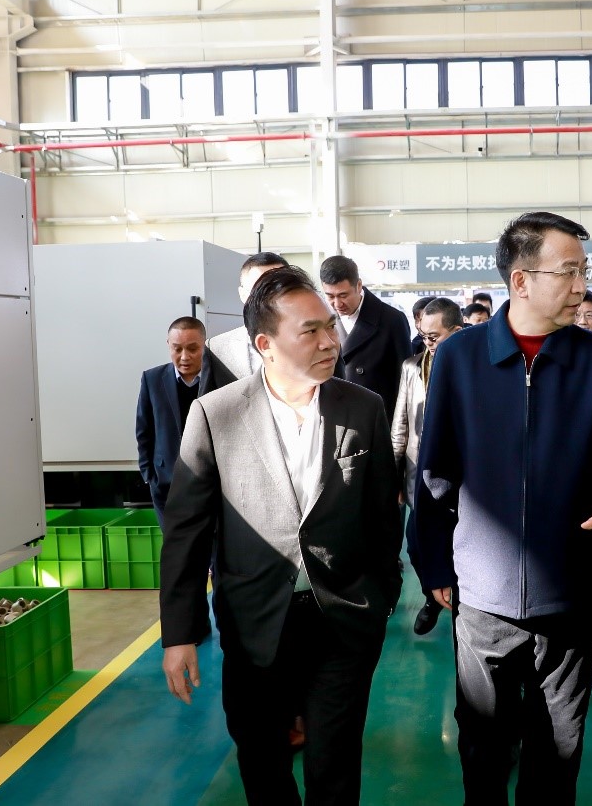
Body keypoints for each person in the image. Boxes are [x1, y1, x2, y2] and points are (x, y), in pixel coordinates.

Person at [415, 211, 592, 804]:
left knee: (558, 749)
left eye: (584, 271)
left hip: (569, 589)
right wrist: (434, 564)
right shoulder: (460, 357)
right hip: (483, 594)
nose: (582, 286)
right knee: (484, 744)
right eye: (569, 272)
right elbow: (435, 467)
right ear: (521, 280)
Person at [159, 267, 402, 806]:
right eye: (310, 331)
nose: (330, 341)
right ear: (265, 344)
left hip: (343, 619)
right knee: (262, 759)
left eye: (330, 326)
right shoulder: (217, 414)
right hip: (255, 621)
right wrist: (179, 634)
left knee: (334, 765)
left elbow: (383, 515)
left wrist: (383, 595)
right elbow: (186, 532)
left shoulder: (363, 408)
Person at [392, 297, 464, 636]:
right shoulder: (412, 367)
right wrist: (393, 476)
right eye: (423, 336)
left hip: (462, 480)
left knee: (460, 546)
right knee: (417, 545)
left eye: (434, 337)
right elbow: (400, 426)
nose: (428, 344)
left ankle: (462, 604)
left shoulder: (475, 367)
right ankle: (431, 596)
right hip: (418, 474)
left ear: (457, 331)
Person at [136, 316, 213, 530]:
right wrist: (148, 474)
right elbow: (144, 430)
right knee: (174, 542)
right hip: (165, 481)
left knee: (210, 542)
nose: (184, 357)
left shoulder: (218, 378)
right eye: (177, 349)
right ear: (168, 345)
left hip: (209, 481)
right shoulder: (152, 379)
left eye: (192, 349)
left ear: (204, 345)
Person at [321, 255, 412, 420]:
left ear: (359, 285)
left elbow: (404, 383)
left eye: (343, 295)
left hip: (376, 418)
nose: (337, 304)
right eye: (330, 296)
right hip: (334, 416)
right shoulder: (319, 321)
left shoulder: (392, 320)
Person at [208, 252, 289, 387]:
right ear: (243, 294)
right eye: (258, 290)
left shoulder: (316, 340)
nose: (269, 297)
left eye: (277, 288)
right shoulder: (217, 349)